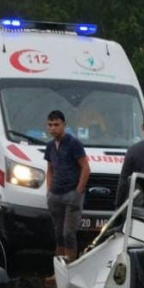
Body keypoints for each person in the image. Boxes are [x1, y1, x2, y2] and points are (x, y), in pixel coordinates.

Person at [43, 110, 90, 271]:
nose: (53, 128)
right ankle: (58, 272)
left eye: (56, 125)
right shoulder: (50, 146)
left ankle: (70, 271)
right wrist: (49, 189)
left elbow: (85, 168)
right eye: (50, 125)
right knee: (58, 234)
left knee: (69, 233)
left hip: (71, 194)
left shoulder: (73, 143)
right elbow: (49, 169)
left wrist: (78, 192)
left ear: (64, 125)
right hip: (55, 194)